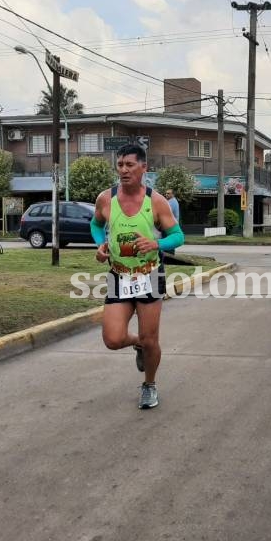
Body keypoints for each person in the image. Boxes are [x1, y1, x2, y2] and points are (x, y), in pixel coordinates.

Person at [90, 144, 185, 409]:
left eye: (130, 165)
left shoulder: (156, 201)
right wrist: (101, 245)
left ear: (144, 167)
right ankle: (138, 344)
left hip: (149, 275)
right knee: (113, 339)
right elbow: (96, 224)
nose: (123, 170)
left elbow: (178, 236)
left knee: (151, 338)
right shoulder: (105, 199)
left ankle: (149, 385)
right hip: (118, 275)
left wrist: (157, 244)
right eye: (120, 165)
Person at [164, 189, 180, 255]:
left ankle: (169, 256)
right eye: (166, 193)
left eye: (168, 193)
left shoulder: (172, 202)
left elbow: (165, 212)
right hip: (171, 225)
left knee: (169, 242)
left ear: (172, 194)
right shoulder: (171, 201)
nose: (166, 195)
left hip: (171, 225)